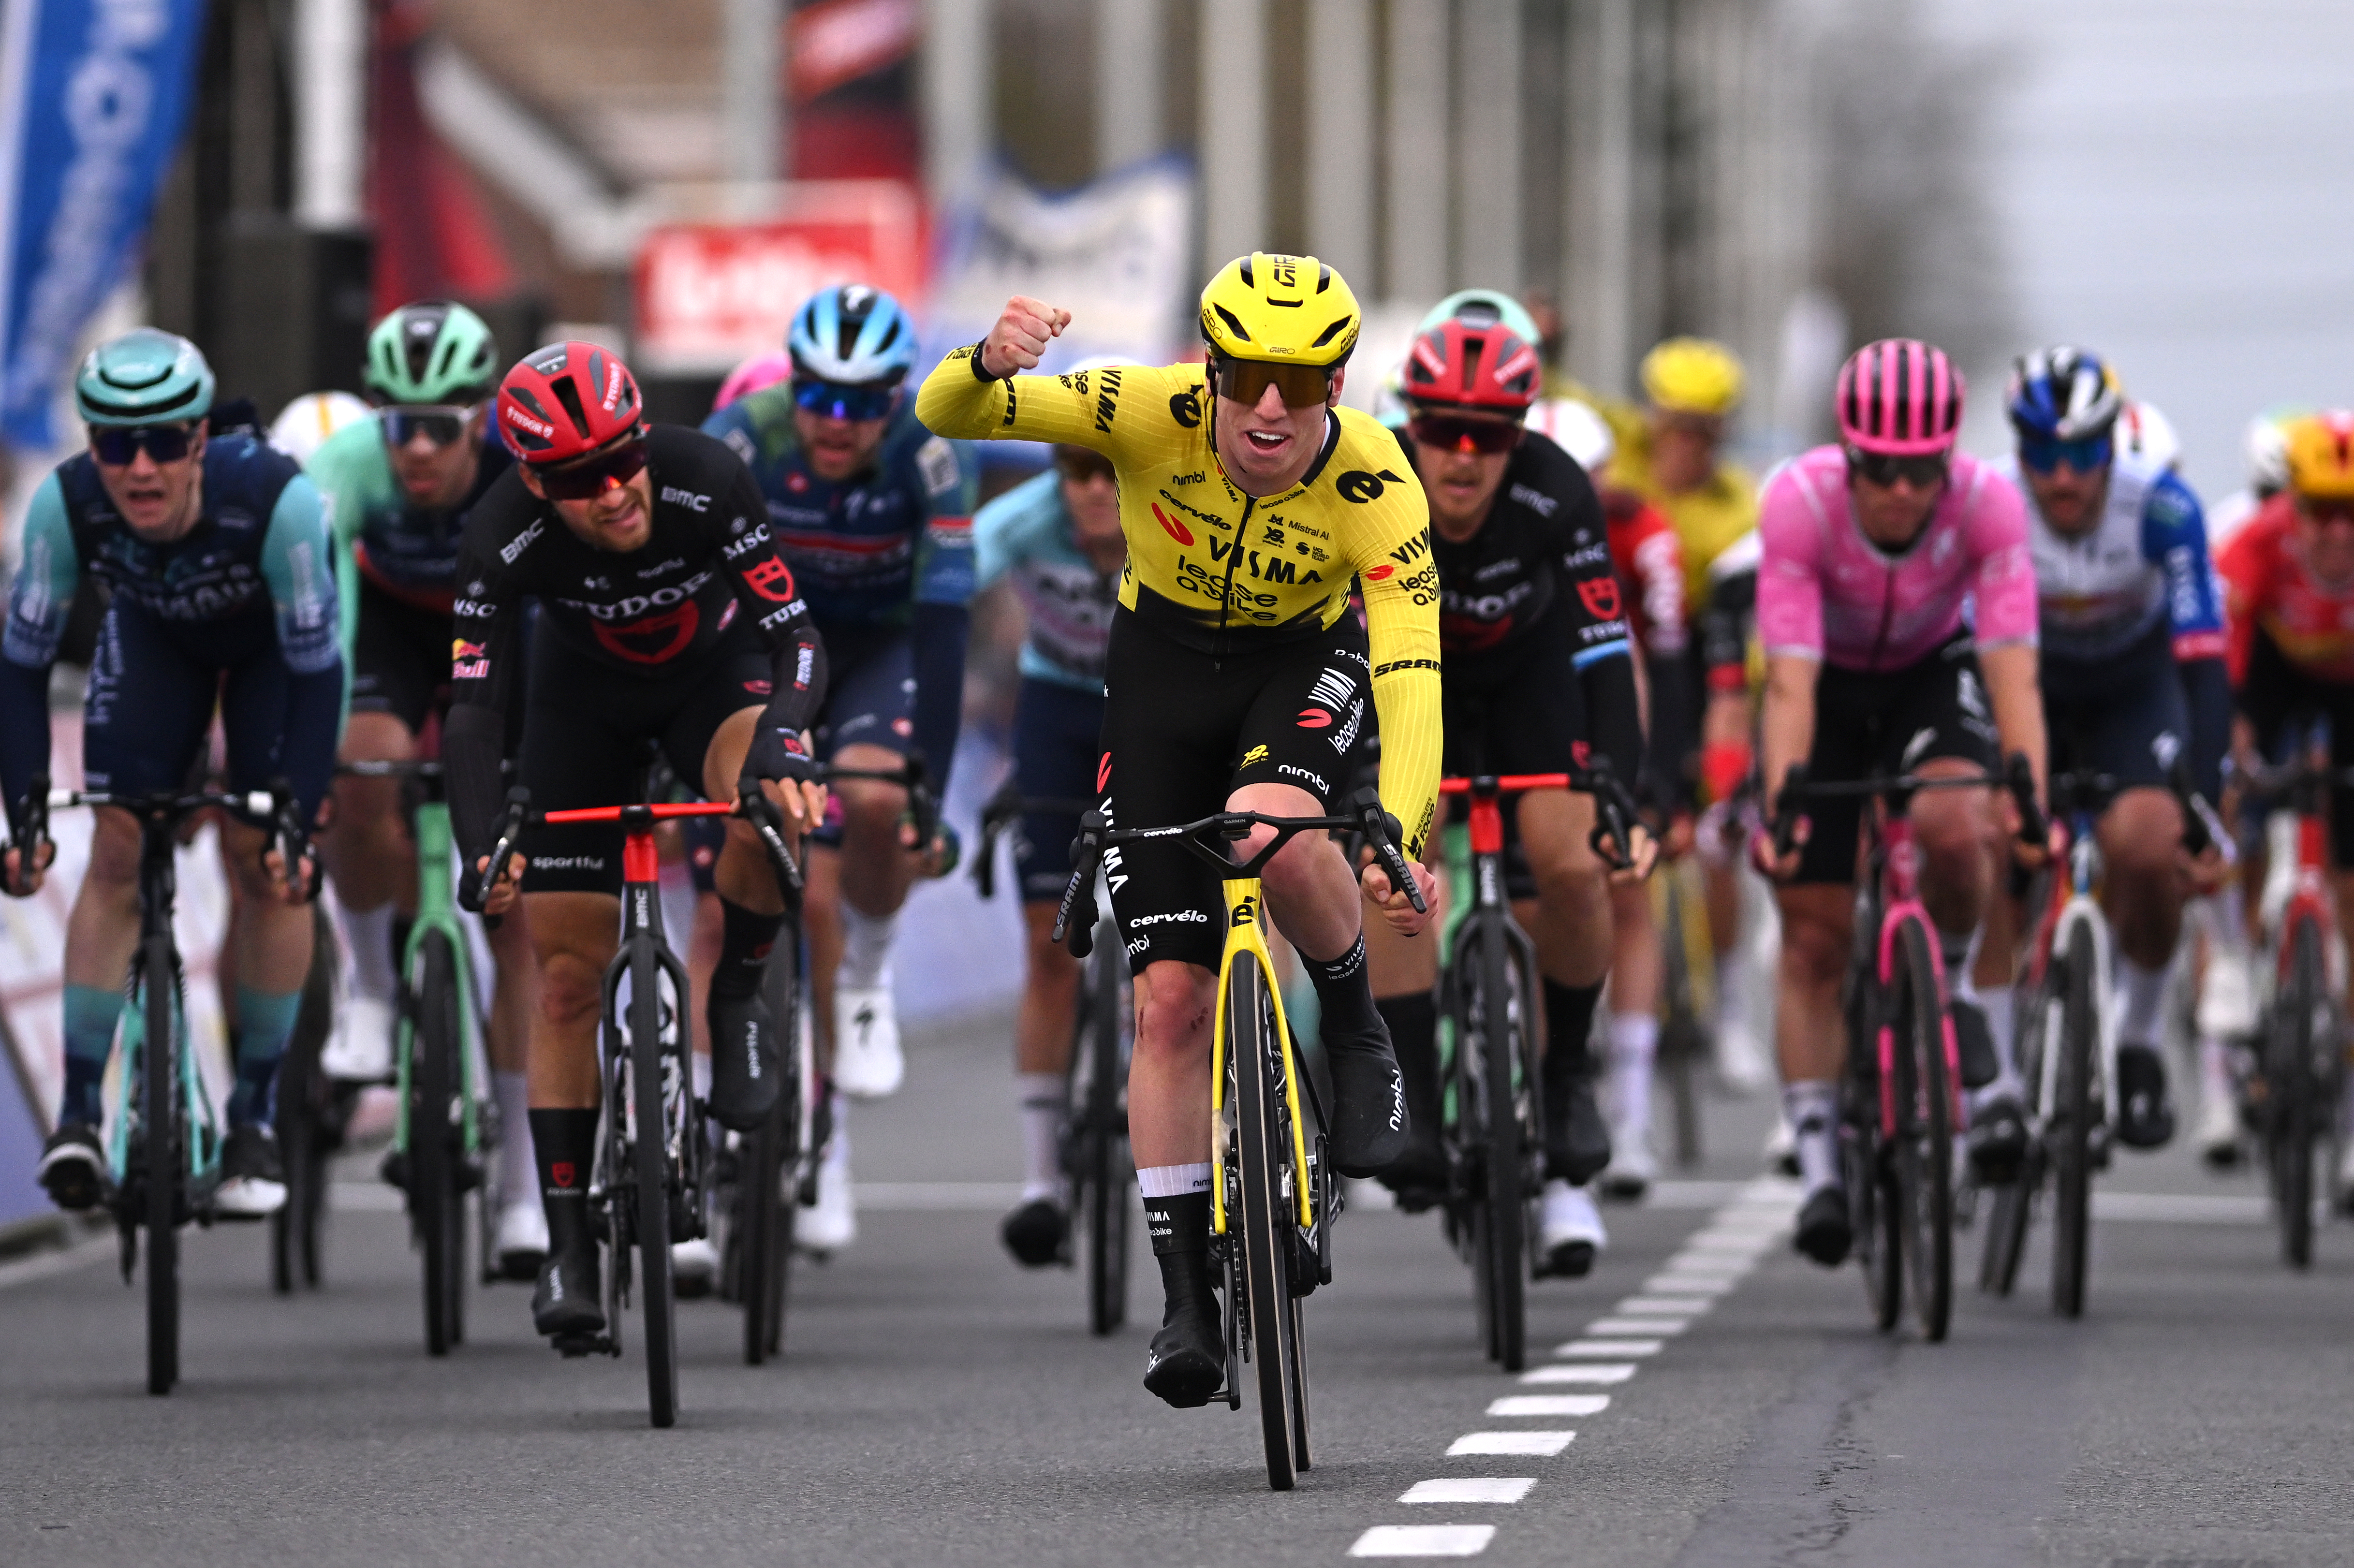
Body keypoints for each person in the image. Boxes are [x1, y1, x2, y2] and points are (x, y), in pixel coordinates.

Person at [915, 254, 1442, 1408]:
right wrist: (987, 362)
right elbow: (946, 411)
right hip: (1157, 674)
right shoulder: (1143, 408)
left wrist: (1400, 823)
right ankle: (1184, 1294)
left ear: (1338, 385)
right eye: (1248, 375)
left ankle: (1355, 1030)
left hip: (1298, 662)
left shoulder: (1375, 477)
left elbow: (1407, 661)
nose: (1269, 407)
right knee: (1167, 1001)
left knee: (1280, 828)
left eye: (1300, 386)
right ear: (1209, 365)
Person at [445, 340, 829, 1343]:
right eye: (579, 477)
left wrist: (786, 736)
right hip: (581, 705)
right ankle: (570, 1242)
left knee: (766, 797)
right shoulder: (501, 533)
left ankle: (739, 990)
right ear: (535, 478)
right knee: (565, 978)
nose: (614, 490)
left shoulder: (705, 476)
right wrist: (480, 833)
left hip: (716, 678)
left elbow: (795, 632)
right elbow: (477, 707)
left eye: (623, 458)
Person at [2, 329, 342, 1218]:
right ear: (91, 445)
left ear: (201, 441)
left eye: (164, 442)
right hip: (156, 642)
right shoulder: (66, 505)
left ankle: (255, 1121)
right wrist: (25, 813)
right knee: (117, 851)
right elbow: (20, 667)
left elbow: (318, 669)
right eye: (116, 443)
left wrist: (300, 817)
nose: (140, 468)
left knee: (268, 864)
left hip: (272, 657)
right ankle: (78, 1115)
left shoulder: (277, 502)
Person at [1363, 294, 1654, 1272]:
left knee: (1571, 865)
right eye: (1441, 429)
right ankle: (1409, 1096)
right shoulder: (1373, 475)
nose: (1461, 455)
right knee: (1393, 865)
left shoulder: (1556, 488)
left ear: (1518, 433)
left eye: (1487, 434)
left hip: (1527, 684)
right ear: (1412, 422)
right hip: (1411, 686)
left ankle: (1567, 1072)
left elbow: (1605, 642)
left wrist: (1620, 779)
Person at [1753, 338, 2047, 1266]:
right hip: (1827, 691)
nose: (1902, 494)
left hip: (1929, 676)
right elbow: (1789, 686)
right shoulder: (1798, 504)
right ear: (1849, 454)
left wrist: (2027, 793)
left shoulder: (1989, 505)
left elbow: (2013, 673)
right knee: (1813, 935)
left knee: (1959, 826)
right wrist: (1782, 810)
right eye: (1880, 471)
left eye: (1923, 472)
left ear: (1948, 458)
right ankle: (1819, 1166)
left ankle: (1955, 989)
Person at [704, 285, 978, 1253]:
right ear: (796, 385)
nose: (837, 423)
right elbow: (686, 590)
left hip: (879, 653)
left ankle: (865, 974)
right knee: (740, 840)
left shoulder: (931, 457)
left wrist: (930, 798)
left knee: (870, 796)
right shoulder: (742, 438)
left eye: (865, 404)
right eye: (821, 397)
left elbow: (947, 633)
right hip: (766, 651)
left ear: (896, 398)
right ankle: (712, 1127)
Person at [305, 300, 548, 1274]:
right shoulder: (348, 470)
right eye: (396, 423)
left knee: (519, 909)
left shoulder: (525, 473)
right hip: (399, 636)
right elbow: (323, 623)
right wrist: (308, 763)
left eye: (439, 427)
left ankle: (526, 1187)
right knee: (360, 769)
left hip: (506, 642)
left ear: (480, 419)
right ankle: (370, 981)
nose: (415, 449)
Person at [1986, 346, 2229, 1172]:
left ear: (2112, 446)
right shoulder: (1990, 508)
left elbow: (2203, 662)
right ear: (2017, 452)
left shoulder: (2162, 509)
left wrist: (2208, 799)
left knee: (2148, 845)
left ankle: (2136, 1039)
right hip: (2030, 685)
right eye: (2043, 456)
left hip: (2136, 688)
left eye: (2083, 455)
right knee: (1991, 843)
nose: (2063, 479)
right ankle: (1997, 1079)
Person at [970, 360, 1132, 1266]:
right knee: (1048, 945)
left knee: (1169, 939)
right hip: (1056, 712)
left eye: (1109, 474)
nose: (1094, 494)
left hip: (1150, 713)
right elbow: (944, 589)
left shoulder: (1167, 516)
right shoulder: (1024, 523)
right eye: (1076, 475)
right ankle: (1041, 1181)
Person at [2217, 412, 2354, 1075]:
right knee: (2228, 789)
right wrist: (2232, 749)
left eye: (2353, 513)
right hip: (2274, 672)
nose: (2338, 532)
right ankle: (2234, 962)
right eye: (2322, 511)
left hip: (2349, 687)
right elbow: (2221, 665)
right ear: (2290, 505)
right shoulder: (2256, 545)